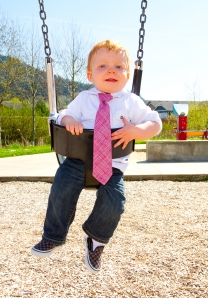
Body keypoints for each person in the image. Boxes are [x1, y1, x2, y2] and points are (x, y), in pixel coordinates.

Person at [31, 40, 162, 274]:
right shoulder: (84, 98)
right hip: (76, 163)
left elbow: (155, 123)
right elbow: (63, 115)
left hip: (112, 166)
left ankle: (96, 241)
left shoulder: (131, 101)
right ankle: (53, 236)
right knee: (60, 191)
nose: (111, 70)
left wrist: (136, 131)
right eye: (103, 66)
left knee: (116, 202)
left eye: (119, 67)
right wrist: (70, 121)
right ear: (90, 74)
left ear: (128, 74)